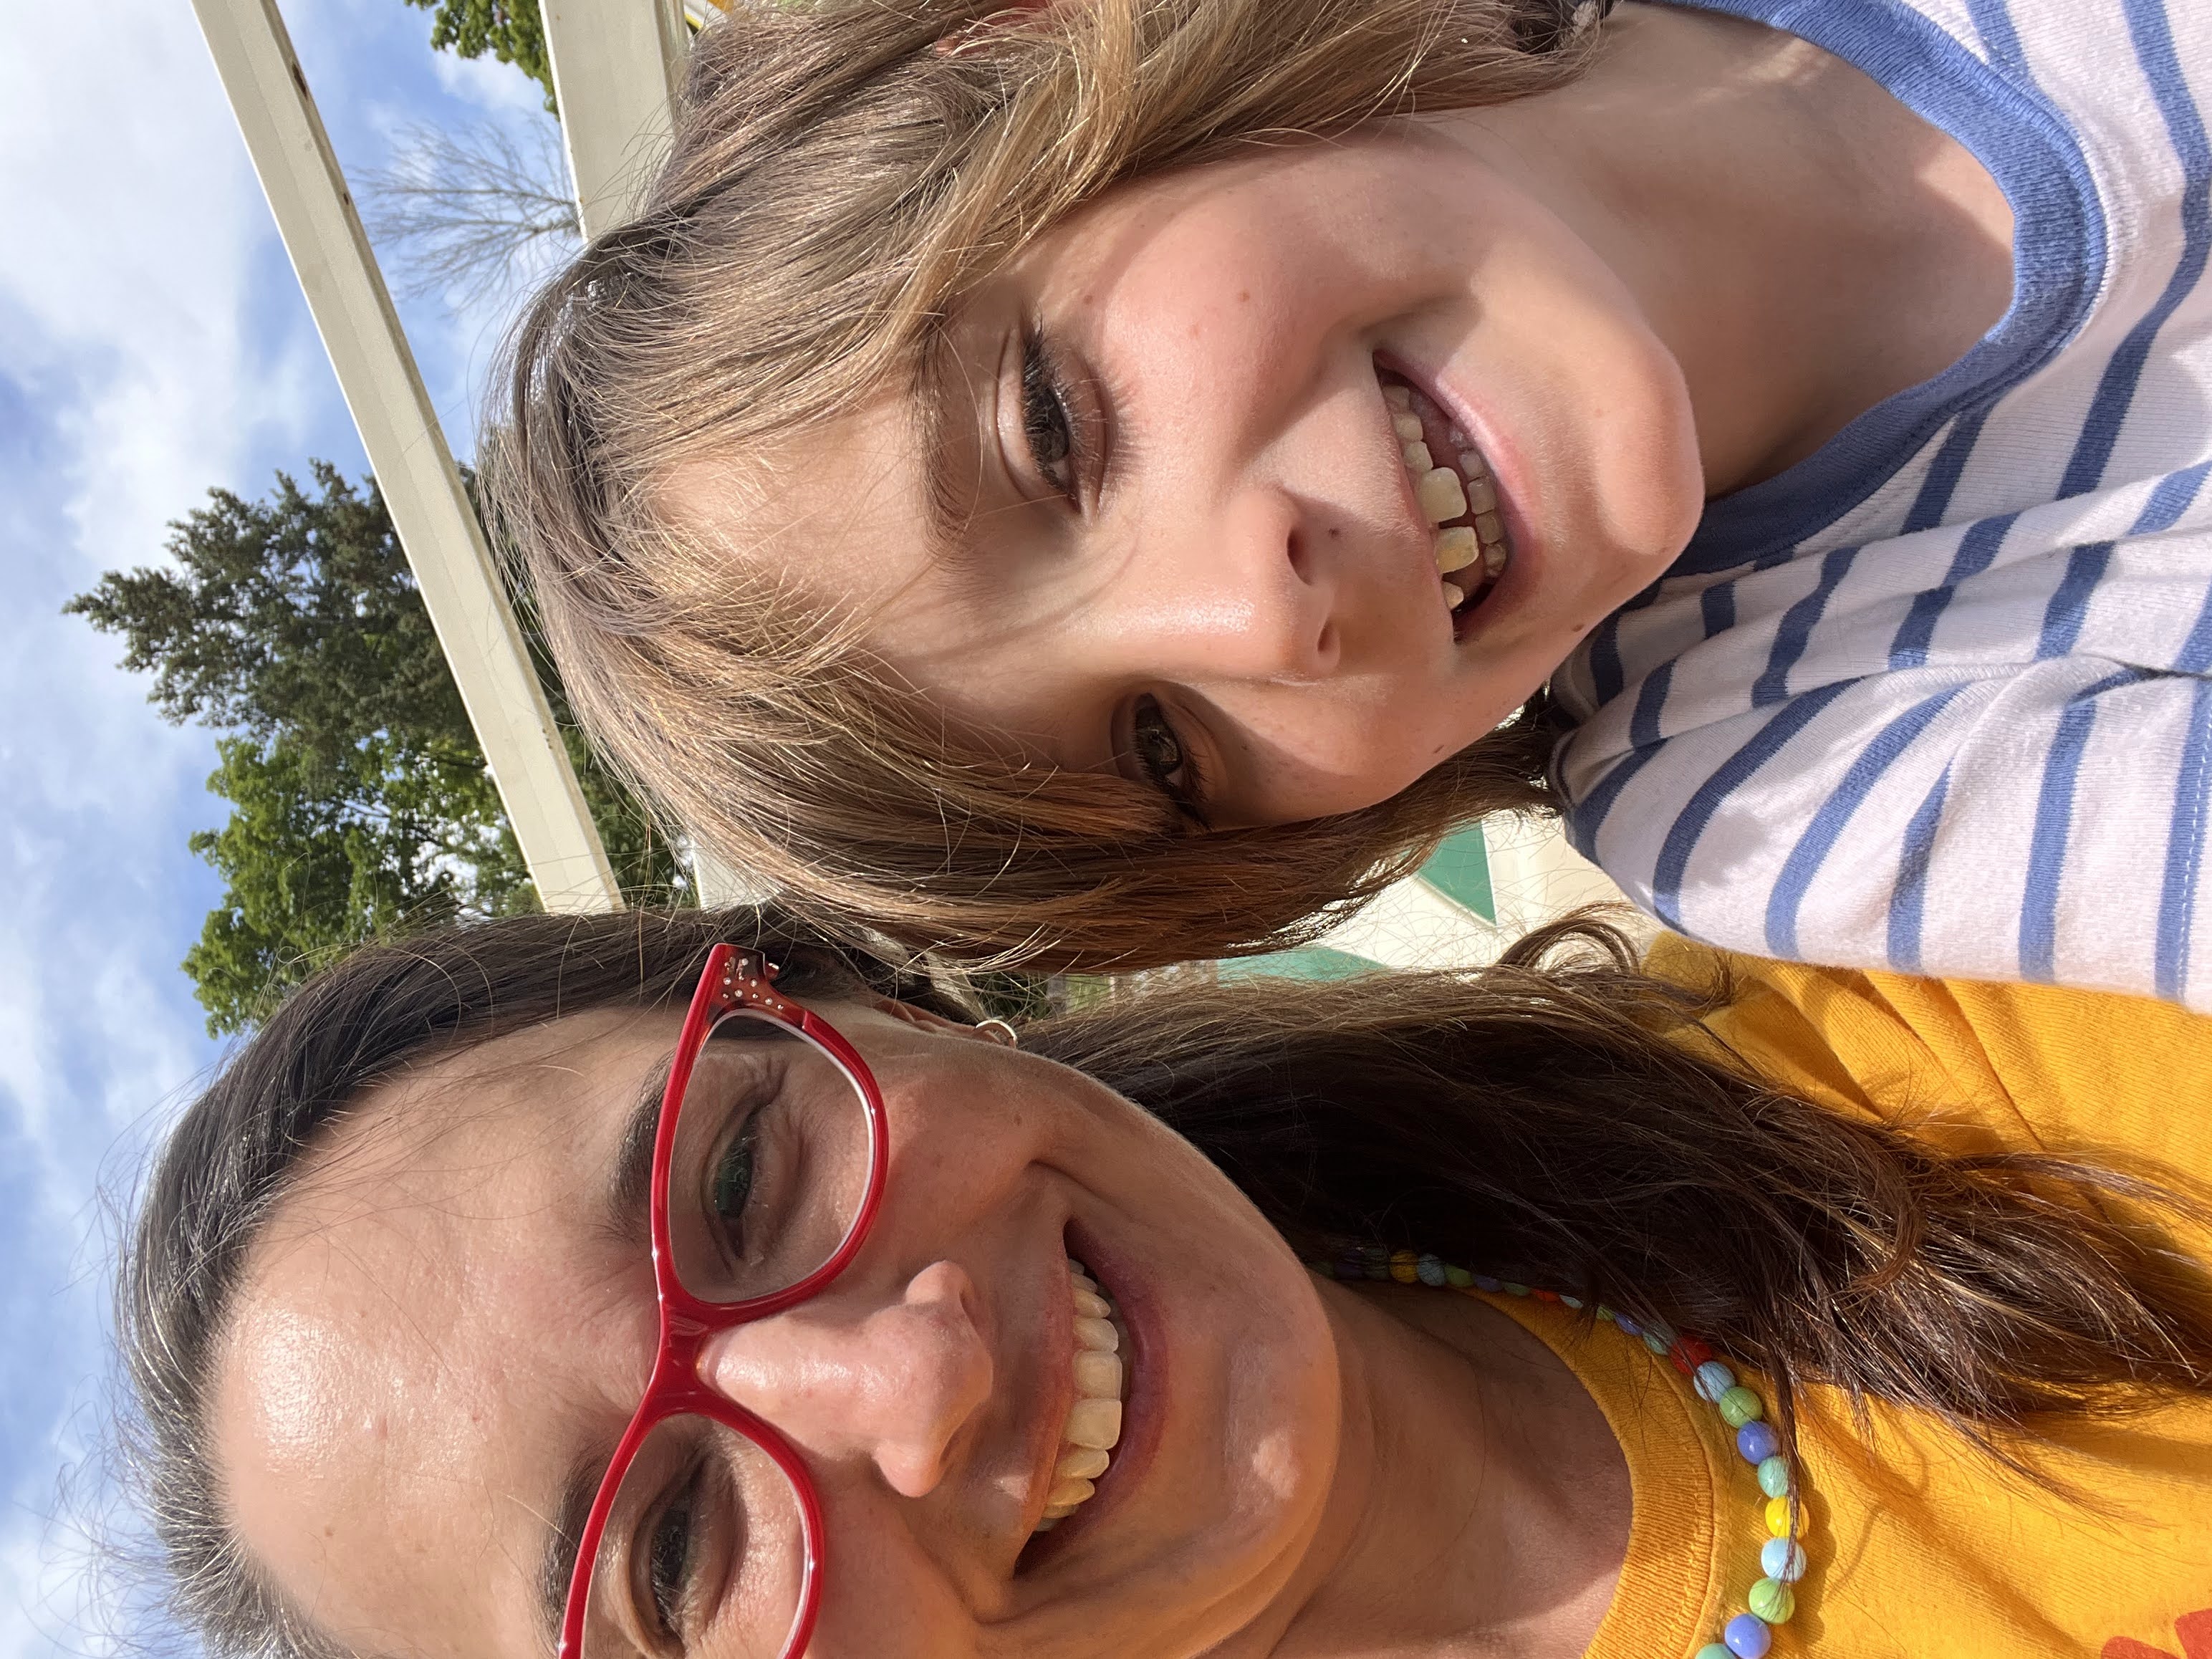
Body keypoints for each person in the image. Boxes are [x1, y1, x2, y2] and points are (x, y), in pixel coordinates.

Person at [492, 0, 2212, 1001]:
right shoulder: (1770, 779)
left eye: (1050, 429)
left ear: (1047, 53)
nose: (1251, 617)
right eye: (1162, 753)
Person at [121, 906, 2212, 1658]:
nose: (912, 1381)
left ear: (859, 995)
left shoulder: (1941, 997)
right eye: (675, 1553)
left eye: (741, 1173)